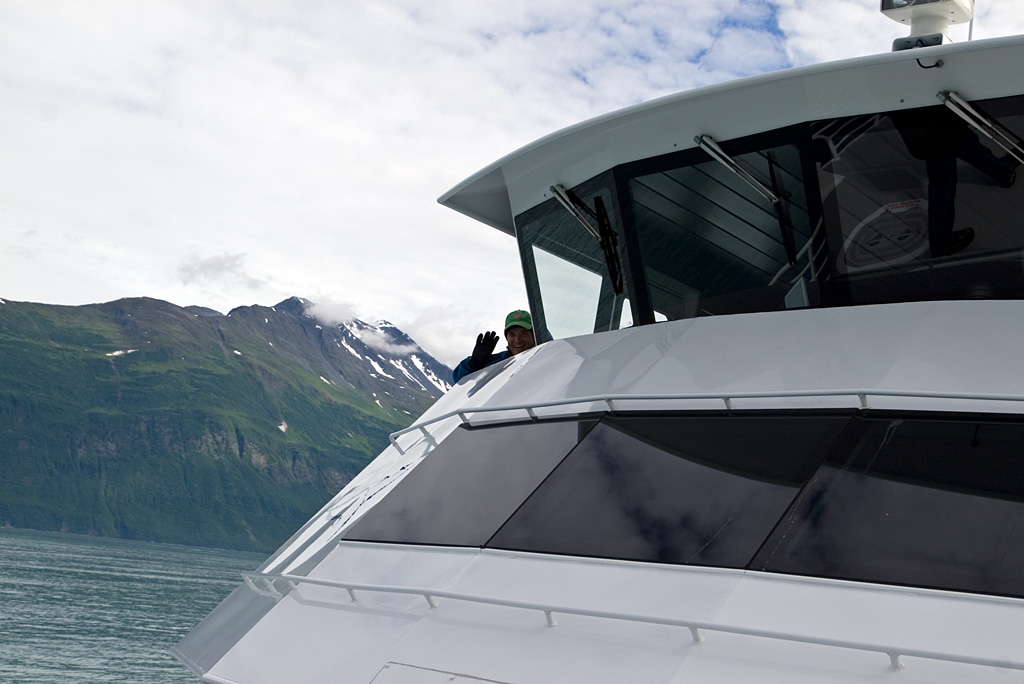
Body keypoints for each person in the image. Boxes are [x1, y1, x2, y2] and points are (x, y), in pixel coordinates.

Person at [452, 310, 536, 383]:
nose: (517, 340)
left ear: (534, 335)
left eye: (524, 333)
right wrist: (474, 364)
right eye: (512, 334)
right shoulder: (498, 362)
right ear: (506, 337)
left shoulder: (545, 355)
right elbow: (459, 380)